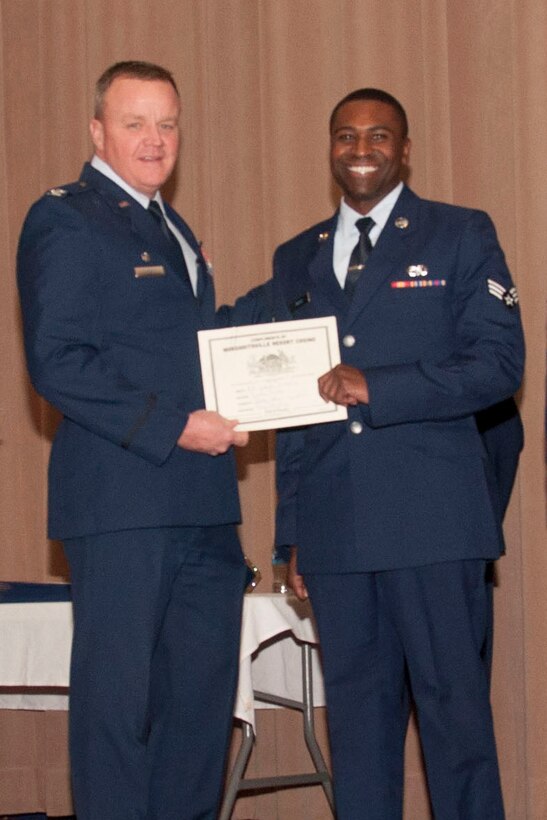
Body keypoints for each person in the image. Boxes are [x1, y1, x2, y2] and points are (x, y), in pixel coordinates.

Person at [272, 89, 525, 819]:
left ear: (404, 149)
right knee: (357, 734)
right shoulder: (297, 258)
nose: (360, 149)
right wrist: (290, 534)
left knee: (456, 727)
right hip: (336, 534)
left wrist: (375, 387)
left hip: (434, 525)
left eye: (378, 135)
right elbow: (293, 412)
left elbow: (498, 365)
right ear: (329, 149)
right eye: (346, 135)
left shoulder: (459, 234)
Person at [17, 61, 254, 820]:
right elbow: (58, 362)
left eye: (167, 123)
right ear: (96, 130)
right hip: (123, 507)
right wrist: (175, 427)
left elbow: (181, 352)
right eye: (134, 122)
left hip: (203, 508)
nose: (154, 140)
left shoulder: (172, 228)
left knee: (197, 714)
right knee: (117, 715)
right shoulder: (66, 216)